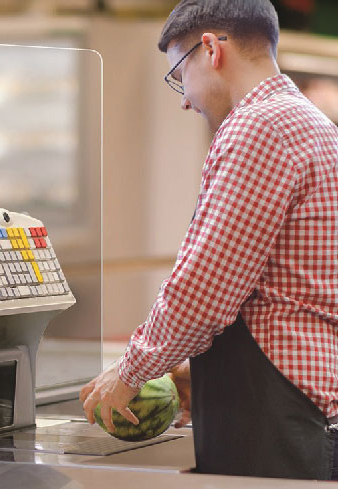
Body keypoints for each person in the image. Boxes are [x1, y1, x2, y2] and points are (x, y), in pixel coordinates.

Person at [80, 0, 338, 480]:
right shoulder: (311, 123)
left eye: (179, 74)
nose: (183, 98)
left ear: (212, 49)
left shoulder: (260, 126)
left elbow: (205, 285)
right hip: (302, 393)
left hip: (276, 406)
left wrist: (131, 371)